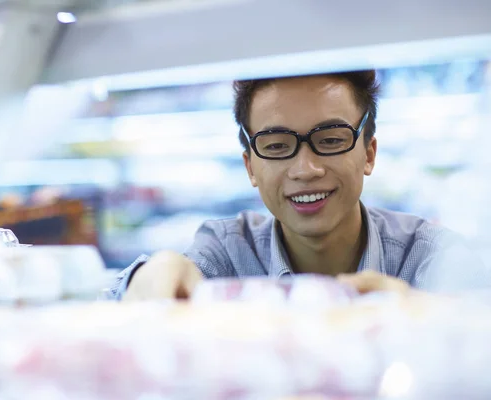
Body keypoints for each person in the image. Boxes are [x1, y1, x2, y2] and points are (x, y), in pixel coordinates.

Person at [111, 70, 490, 301]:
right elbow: (158, 288)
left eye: (330, 140)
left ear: (369, 153)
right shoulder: (228, 252)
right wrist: (151, 277)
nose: (305, 169)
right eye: (276, 146)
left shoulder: (427, 257)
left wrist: (425, 316)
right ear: (251, 167)